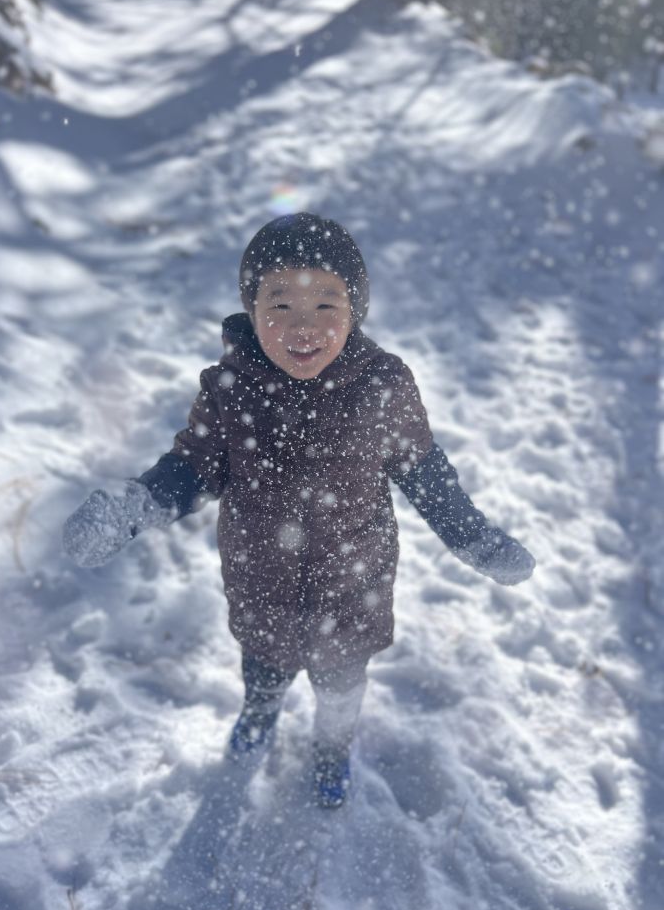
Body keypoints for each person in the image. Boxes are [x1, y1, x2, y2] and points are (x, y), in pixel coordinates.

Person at [63, 213, 535, 809]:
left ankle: (332, 748)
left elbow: (423, 469)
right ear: (252, 308)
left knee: (341, 686)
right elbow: (193, 467)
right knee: (263, 669)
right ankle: (259, 715)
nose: (302, 326)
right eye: (280, 304)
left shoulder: (382, 386)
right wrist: (133, 508)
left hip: (353, 585)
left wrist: (474, 539)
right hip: (262, 580)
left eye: (325, 305)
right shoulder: (231, 388)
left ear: (355, 310)